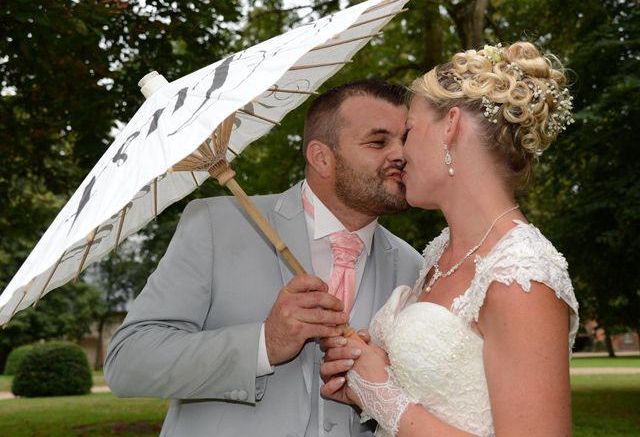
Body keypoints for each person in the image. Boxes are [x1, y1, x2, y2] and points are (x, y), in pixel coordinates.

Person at [104, 79, 423, 437]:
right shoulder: (216, 225)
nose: (401, 154)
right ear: (321, 158)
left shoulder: (414, 266)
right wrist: (264, 344)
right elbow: (128, 362)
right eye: (378, 141)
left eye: (405, 140)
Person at [320, 42, 579, 437]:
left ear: (450, 126)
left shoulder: (522, 277)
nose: (400, 153)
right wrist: (366, 381)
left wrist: (381, 394)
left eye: (408, 131)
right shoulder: (441, 250)